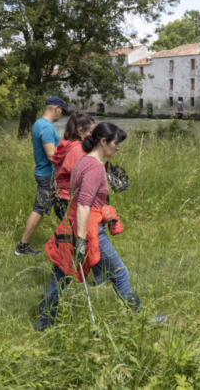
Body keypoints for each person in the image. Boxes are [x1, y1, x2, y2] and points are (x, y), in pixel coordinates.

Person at [35, 122, 140, 331]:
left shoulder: (84, 161)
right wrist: (81, 240)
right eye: (115, 143)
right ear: (103, 141)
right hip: (88, 228)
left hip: (70, 224)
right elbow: (83, 204)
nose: (118, 148)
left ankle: (44, 322)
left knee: (62, 275)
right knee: (119, 273)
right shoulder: (94, 168)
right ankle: (138, 319)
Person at [14, 96, 69, 256]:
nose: (61, 115)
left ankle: (69, 239)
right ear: (56, 109)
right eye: (61, 112)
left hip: (48, 175)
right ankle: (22, 247)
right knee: (39, 209)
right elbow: (51, 155)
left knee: (63, 208)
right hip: (48, 176)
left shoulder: (40, 124)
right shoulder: (45, 127)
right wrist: (69, 165)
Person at [51, 111, 95, 220]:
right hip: (70, 199)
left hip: (61, 197)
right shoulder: (78, 149)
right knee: (80, 234)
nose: (92, 136)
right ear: (80, 131)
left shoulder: (65, 144)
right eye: (91, 132)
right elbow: (81, 177)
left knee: (71, 234)